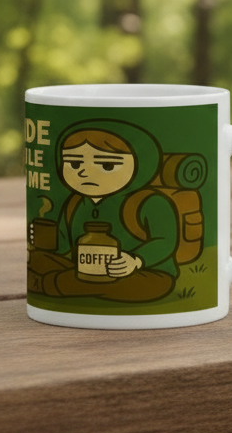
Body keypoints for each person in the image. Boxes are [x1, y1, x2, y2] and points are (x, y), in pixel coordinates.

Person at [27, 121, 182, 303]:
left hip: (146, 273)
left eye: (107, 165)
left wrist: (135, 260)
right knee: (38, 258)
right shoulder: (76, 202)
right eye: (75, 164)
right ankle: (69, 282)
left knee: (142, 286)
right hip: (87, 268)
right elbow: (63, 244)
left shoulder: (149, 202)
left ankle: (51, 284)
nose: (84, 172)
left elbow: (165, 242)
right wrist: (40, 237)